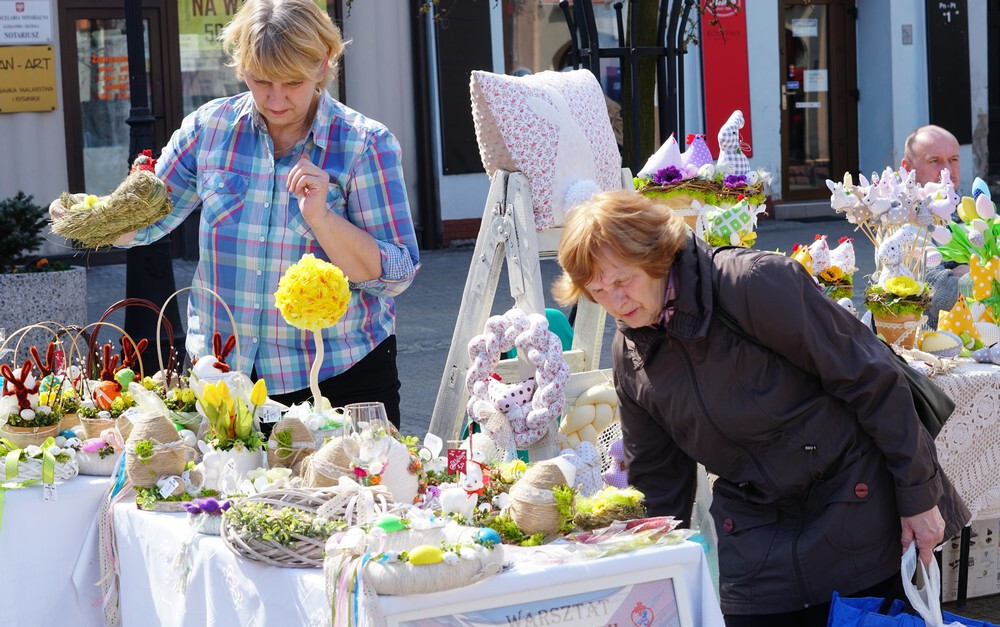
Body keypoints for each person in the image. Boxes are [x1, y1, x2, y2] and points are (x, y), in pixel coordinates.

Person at [553, 190, 969, 626]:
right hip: (754, 529)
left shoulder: (752, 284)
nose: (616, 302)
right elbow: (658, 479)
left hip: (856, 501)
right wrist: (647, 575)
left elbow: (874, 383)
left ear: (655, 254)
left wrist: (919, 498)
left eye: (622, 281)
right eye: (598, 291)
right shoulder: (631, 352)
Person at [55, 0, 419, 428]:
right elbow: (147, 220)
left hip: (340, 379)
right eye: (261, 80)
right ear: (240, 66)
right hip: (225, 381)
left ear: (323, 64)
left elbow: (397, 274)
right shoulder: (209, 130)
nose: (276, 98)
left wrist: (323, 218)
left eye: (293, 82)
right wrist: (85, 218)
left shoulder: (364, 145)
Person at [900, 125, 963, 328]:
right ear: (908, 169)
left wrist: (964, 274)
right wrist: (981, 275)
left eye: (953, 159)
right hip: (930, 347)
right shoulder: (901, 222)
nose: (948, 171)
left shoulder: (978, 211)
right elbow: (941, 294)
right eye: (934, 161)